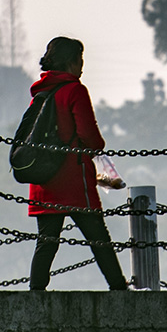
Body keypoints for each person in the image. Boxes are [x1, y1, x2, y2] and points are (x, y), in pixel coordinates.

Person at [28, 36, 128, 291]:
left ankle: (35, 293)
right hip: (73, 179)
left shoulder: (40, 92)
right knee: (98, 237)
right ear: (70, 63)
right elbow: (92, 139)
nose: (82, 66)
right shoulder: (75, 90)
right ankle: (119, 288)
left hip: (43, 180)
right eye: (79, 60)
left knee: (47, 241)